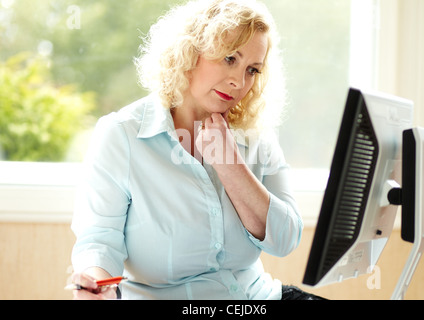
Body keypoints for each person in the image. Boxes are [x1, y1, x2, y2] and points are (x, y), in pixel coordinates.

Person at [70, 0, 320, 300]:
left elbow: (285, 239)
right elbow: (99, 241)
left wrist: (231, 166)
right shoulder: (122, 135)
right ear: (190, 52)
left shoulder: (255, 136)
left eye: (252, 69)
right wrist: (97, 284)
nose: (239, 81)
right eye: (230, 59)